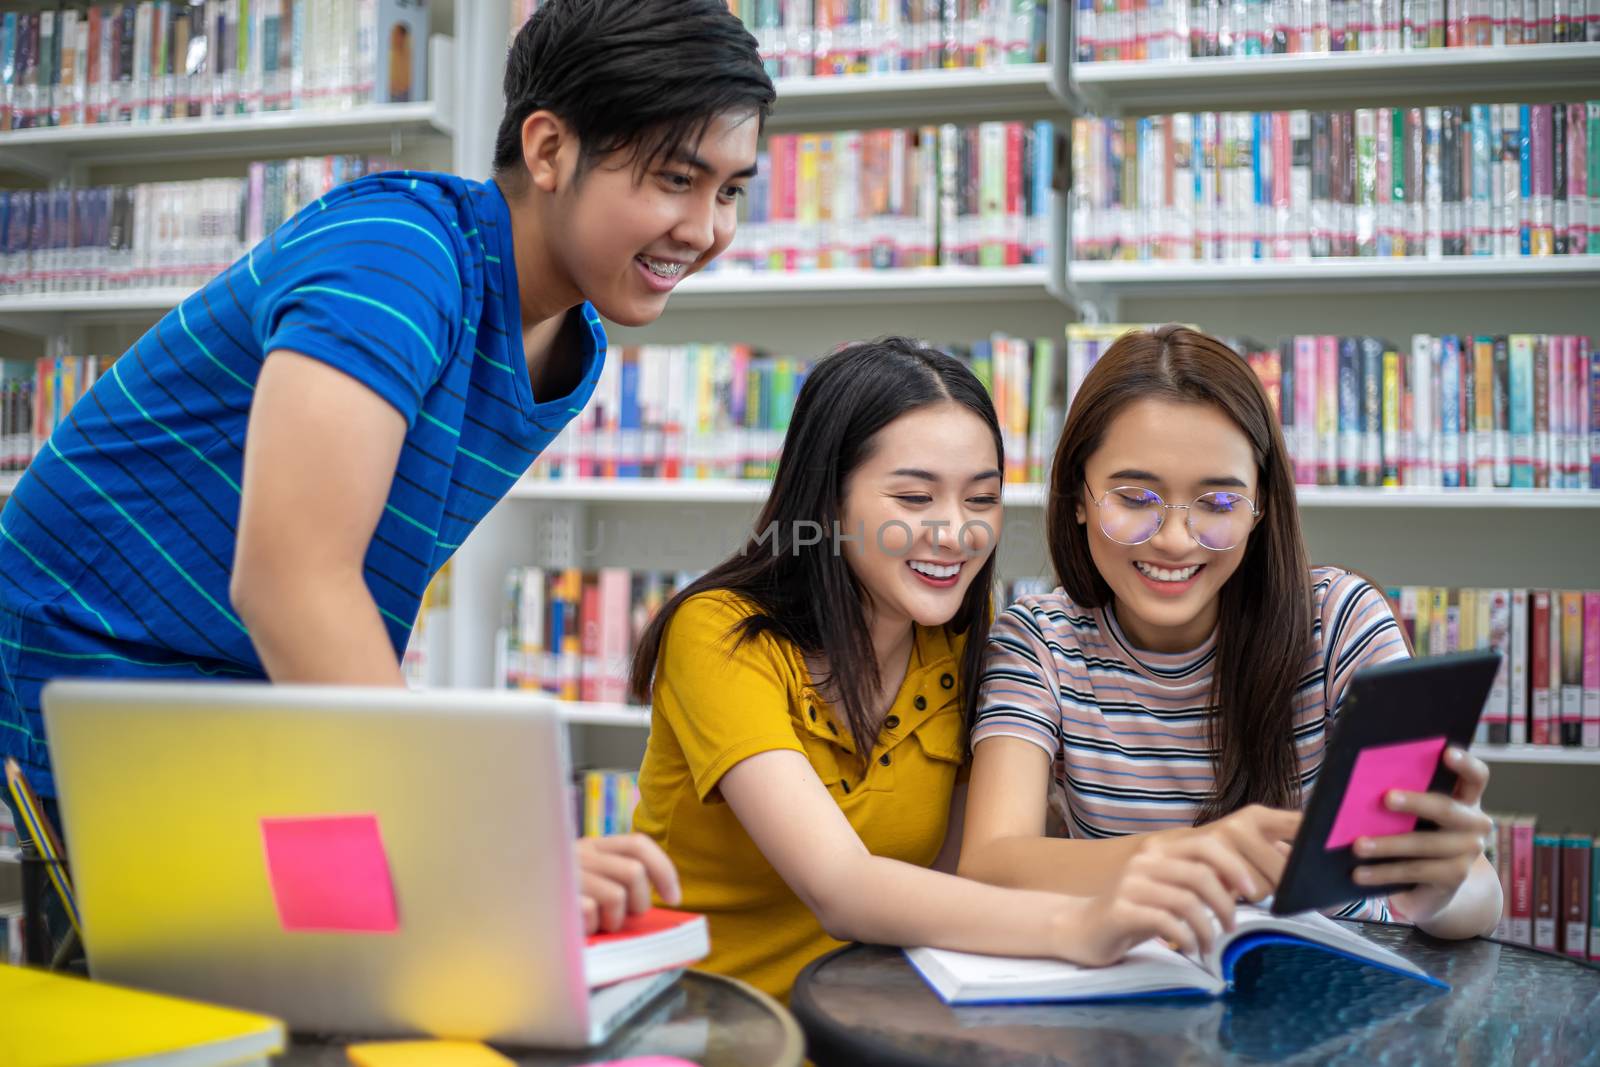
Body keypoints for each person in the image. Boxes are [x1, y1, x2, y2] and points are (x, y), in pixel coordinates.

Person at [0, 0, 775, 944]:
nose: (704, 228)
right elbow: (292, 581)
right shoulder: (400, 256)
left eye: (732, 190)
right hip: (99, 680)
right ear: (547, 148)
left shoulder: (573, 347)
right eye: (674, 179)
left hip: (243, 703)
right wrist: (478, 843)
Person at [628, 337, 1288, 1002]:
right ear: (828, 505)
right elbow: (840, 887)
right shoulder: (719, 634)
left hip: (875, 1019)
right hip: (709, 1024)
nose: (956, 532)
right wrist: (1080, 921)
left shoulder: (963, 646)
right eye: (915, 498)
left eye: (981, 499)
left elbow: (958, 889)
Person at [957, 325, 1501, 940]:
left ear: (1261, 506)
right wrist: (1204, 855)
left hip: (1337, 1003)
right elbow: (990, 866)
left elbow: (1478, 900)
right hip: (1142, 1002)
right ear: (1078, 496)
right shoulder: (1038, 642)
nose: (1173, 539)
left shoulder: (1343, 622)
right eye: (1135, 497)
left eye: (1217, 504)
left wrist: (1446, 883)